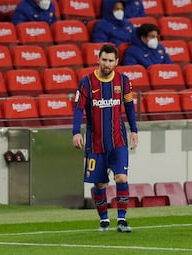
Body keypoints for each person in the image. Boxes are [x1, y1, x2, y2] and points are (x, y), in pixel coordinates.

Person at [72, 44, 138, 232]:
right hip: (95, 142)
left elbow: (130, 107)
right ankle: (103, 220)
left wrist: (134, 130)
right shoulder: (86, 83)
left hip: (118, 141)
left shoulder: (123, 81)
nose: (107, 64)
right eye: (104, 60)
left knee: (121, 177)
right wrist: (76, 132)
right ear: (98, 59)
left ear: (116, 62)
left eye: (110, 61)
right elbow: (78, 109)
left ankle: (122, 219)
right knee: (100, 183)